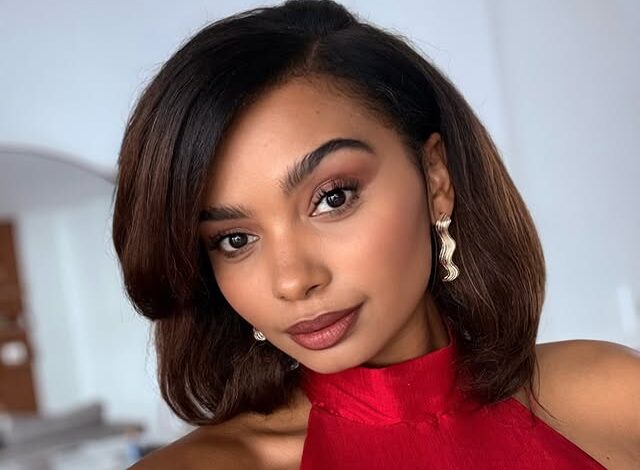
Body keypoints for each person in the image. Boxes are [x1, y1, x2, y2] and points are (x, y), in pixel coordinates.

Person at [112, 1, 640, 468]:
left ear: (435, 177)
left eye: (332, 197)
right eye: (235, 239)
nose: (292, 280)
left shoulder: (614, 400)